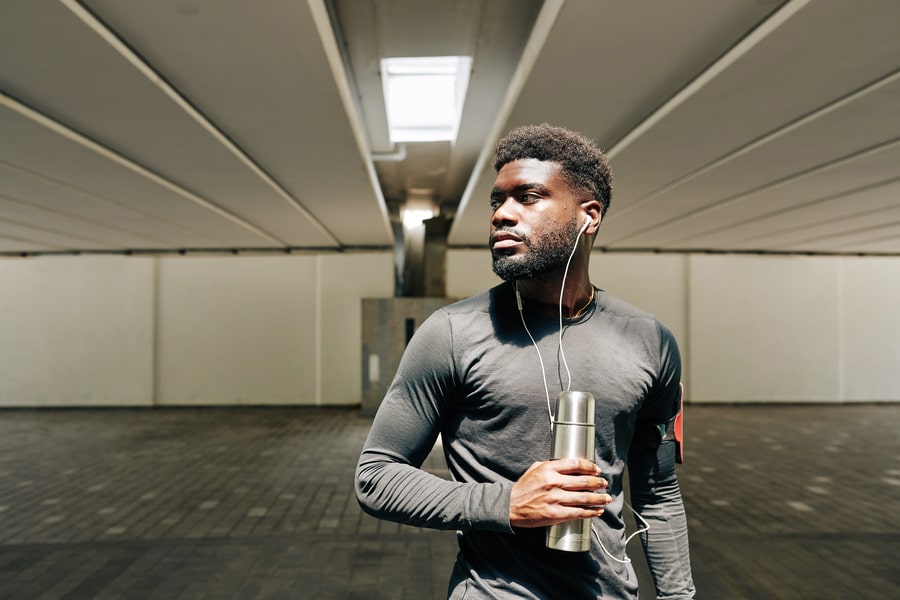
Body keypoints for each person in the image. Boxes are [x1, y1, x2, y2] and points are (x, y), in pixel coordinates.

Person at [356, 124, 695, 599]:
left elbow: (658, 495)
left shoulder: (650, 341)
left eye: (528, 197)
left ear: (588, 216)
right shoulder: (452, 332)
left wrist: (680, 596)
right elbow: (376, 477)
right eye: (497, 201)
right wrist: (508, 502)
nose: (502, 215)